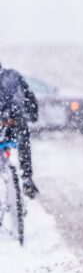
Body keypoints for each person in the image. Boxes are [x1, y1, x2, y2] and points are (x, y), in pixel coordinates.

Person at [0, 63, 39, 198]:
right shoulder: (13, 75)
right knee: (23, 143)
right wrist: (33, 115)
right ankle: (27, 177)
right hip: (16, 120)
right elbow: (29, 96)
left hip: (7, 120)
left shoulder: (11, 76)